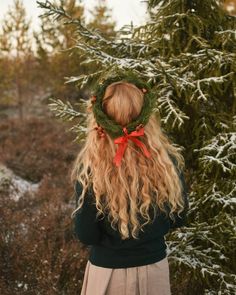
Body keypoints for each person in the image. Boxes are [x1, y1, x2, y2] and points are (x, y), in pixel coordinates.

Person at [70, 73, 190, 295]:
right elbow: (180, 217)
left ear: (100, 118)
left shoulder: (90, 169)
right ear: (146, 115)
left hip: (108, 272)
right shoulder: (166, 162)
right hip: (154, 269)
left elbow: (86, 234)